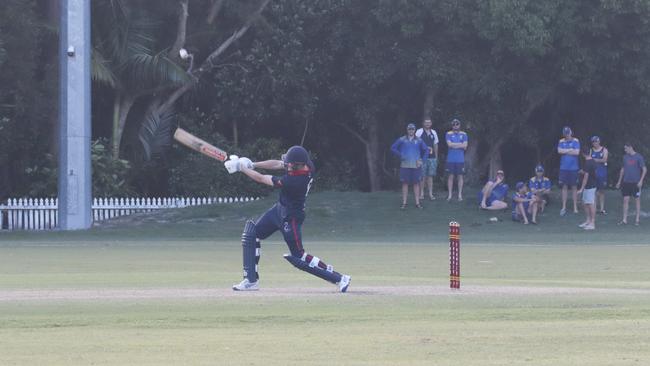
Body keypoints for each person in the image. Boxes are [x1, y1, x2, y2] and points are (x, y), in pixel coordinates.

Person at [225, 146, 351, 292]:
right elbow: (278, 164)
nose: (287, 166)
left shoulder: (294, 181)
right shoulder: (306, 165)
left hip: (291, 217)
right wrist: (252, 164)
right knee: (252, 234)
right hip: (279, 210)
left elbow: (261, 178)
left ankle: (339, 278)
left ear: (298, 165)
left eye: (290, 164)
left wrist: (242, 168)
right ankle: (251, 281)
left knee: (299, 256)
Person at [391, 123, 429, 209]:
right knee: (405, 184)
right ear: (407, 130)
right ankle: (404, 203)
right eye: (409, 129)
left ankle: (417, 203)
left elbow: (426, 150)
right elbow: (393, 147)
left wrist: (422, 160)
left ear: (414, 130)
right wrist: (400, 155)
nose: (411, 130)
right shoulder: (402, 139)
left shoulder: (419, 140)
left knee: (416, 184)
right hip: (405, 165)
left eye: (412, 129)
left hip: (416, 165)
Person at [615, 142, 647, 226]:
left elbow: (644, 169)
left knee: (637, 200)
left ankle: (637, 220)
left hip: (636, 183)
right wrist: (619, 181)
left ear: (630, 147)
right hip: (626, 182)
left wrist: (641, 181)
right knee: (625, 200)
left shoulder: (639, 157)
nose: (625, 150)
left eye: (626, 148)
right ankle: (624, 219)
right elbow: (623, 169)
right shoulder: (625, 157)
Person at [557, 126, 580, 216]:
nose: (567, 135)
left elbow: (577, 152)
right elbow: (559, 151)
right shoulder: (561, 141)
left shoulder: (576, 141)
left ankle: (575, 207)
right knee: (564, 187)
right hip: (564, 168)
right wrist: (570, 150)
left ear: (571, 132)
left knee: (574, 187)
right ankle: (564, 206)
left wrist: (565, 151)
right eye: (565, 133)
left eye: (568, 133)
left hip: (573, 168)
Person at [415, 118, 439, 201]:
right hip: (422, 157)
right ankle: (421, 193)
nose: (428, 124)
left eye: (429, 122)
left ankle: (430, 193)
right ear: (423, 123)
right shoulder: (419, 132)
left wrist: (436, 157)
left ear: (431, 123)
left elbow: (435, 144)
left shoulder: (434, 132)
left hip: (432, 157)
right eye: (426, 122)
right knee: (422, 176)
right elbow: (416, 144)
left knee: (430, 176)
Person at [445, 118, 468, 201]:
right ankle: (450, 195)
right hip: (450, 159)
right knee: (450, 176)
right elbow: (449, 145)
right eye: (454, 124)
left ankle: (459, 195)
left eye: (457, 124)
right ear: (452, 125)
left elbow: (465, 146)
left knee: (460, 177)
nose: (455, 126)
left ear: (459, 125)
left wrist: (455, 145)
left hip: (460, 159)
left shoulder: (464, 134)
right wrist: (460, 144)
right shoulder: (448, 133)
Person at [577, 150, 598, 230]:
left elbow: (586, 177)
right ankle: (588, 220)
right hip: (589, 186)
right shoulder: (592, 161)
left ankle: (592, 223)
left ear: (583, 154)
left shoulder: (588, 163)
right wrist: (582, 171)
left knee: (590, 203)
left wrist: (581, 189)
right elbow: (591, 171)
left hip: (590, 186)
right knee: (585, 203)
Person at [590, 136, 609, 214]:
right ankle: (594, 207)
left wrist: (595, 160)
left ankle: (602, 208)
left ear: (599, 141)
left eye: (596, 141)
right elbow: (589, 160)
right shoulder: (591, 150)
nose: (595, 143)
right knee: (594, 191)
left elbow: (604, 159)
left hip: (602, 172)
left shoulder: (604, 150)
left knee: (601, 191)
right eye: (593, 142)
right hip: (593, 172)